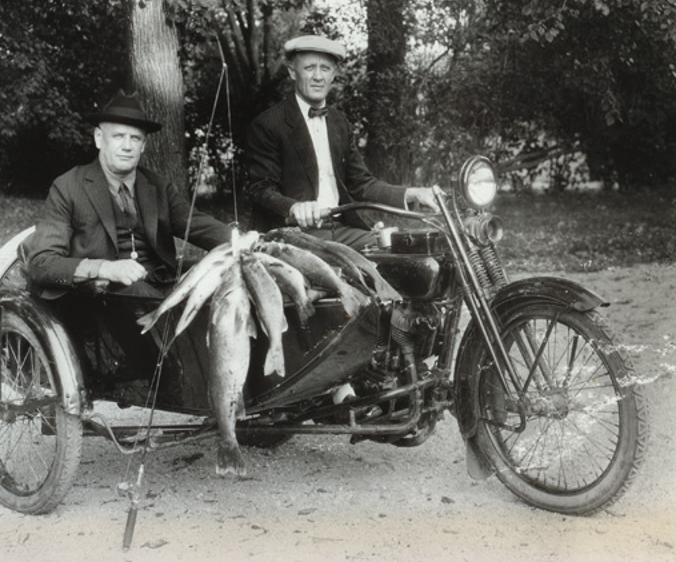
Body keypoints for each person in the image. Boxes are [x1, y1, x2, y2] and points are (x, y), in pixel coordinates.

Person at [24, 90, 232, 386]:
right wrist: (103, 268)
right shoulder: (69, 187)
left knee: (221, 279)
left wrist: (241, 240)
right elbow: (42, 263)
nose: (127, 146)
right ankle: (178, 379)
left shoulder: (157, 186)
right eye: (118, 137)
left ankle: (222, 380)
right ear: (99, 139)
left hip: (160, 283)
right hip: (102, 298)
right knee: (141, 294)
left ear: (144, 145)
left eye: (135, 139)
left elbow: (196, 225)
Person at [246, 35, 438, 250]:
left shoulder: (340, 123)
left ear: (334, 74)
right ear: (292, 71)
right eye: (309, 68)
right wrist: (294, 207)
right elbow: (261, 189)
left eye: (325, 69)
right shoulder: (268, 124)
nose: (318, 76)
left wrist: (413, 193)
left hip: (343, 230)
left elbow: (362, 183)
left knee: (404, 256)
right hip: (293, 235)